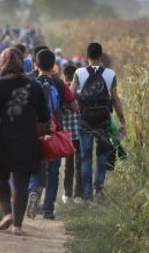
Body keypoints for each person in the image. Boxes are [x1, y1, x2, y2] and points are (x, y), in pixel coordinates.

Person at [0, 48, 50, 236]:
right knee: (21, 180)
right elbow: (44, 116)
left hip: (3, 139)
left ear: (2, 63)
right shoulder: (35, 86)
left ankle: (8, 213)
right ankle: (18, 226)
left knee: (0, 176)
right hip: (28, 139)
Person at [71, 42, 126, 202]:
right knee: (102, 155)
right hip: (103, 121)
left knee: (86, 157)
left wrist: (77, 110)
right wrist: (122, 121)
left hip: (85, 120)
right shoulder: (110, 74)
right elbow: (115, 99)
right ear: (101, 56)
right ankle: (99, 189)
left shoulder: (79, 73)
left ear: (86, 56)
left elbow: (71, 95)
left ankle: (87, 194)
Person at [28, 49, 79, 220]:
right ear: (53, 65)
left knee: (35, 165)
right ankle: (48, 208)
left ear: (36, 63)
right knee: (53, 171)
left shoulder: (29, 81)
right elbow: (74, 106)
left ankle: (34, 190)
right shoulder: (58, 83)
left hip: (34, 130)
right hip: (54, 129)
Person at [62, 64, 83, 204]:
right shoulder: (80, 91)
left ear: (64, 76)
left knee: (68, 165)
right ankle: (78, 194)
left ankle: (67, 194)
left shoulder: (62, 90)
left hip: (66, 134)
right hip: (79, 133)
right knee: (79, 164)